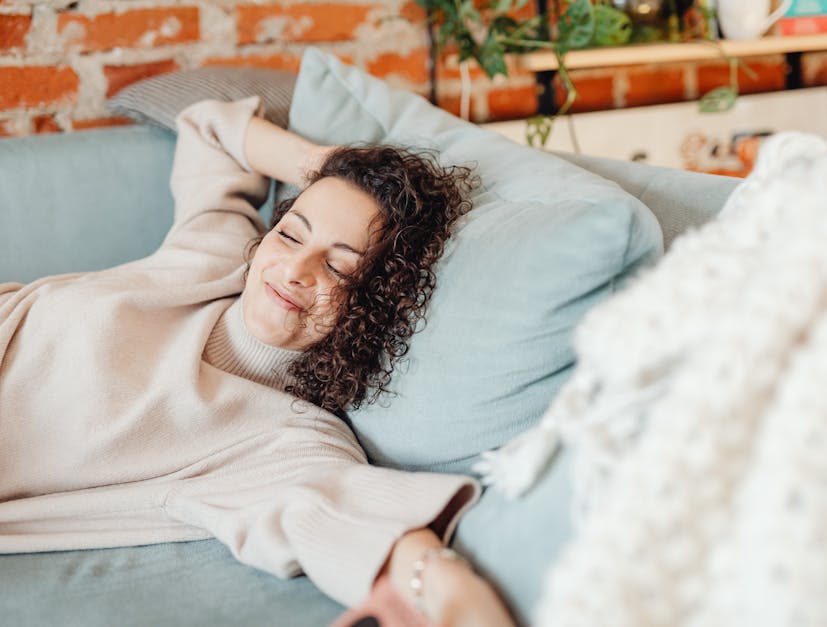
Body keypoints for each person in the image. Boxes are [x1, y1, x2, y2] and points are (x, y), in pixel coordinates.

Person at [0, 96, 514, 627]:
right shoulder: (215, 255)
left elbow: (348, 510)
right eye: (291, 232)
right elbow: (207, 129)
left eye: (339, 268)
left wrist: (446, 586)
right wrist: (331, 169)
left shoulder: (282, 439)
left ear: (377, 304)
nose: (295, 268)